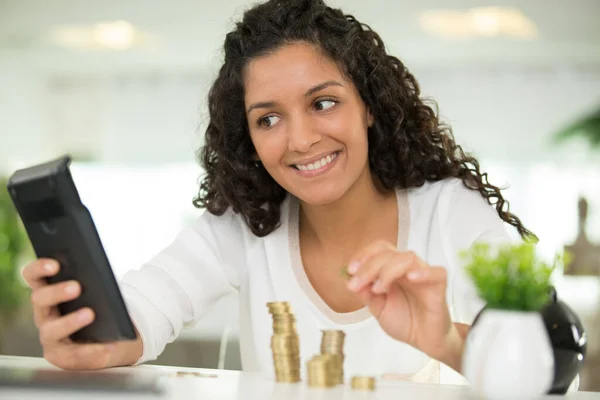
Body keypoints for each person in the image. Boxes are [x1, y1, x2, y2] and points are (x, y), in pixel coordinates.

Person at [21, 0, 535, 384]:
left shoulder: (447, 210)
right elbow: (144, 312)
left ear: (370, 105)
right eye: (268, 118)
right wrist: (88, 336)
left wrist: (446, 341)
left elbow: (553, 359)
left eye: (324, 103)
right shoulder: (245, 223)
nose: (302, 139)